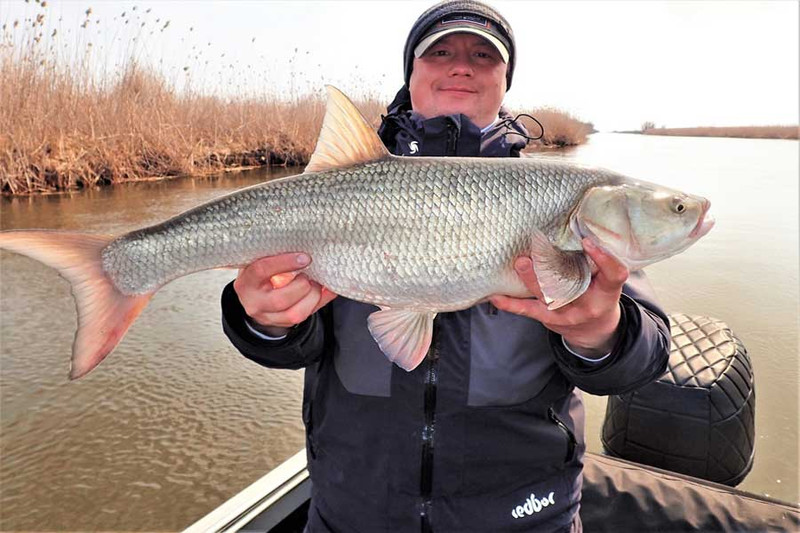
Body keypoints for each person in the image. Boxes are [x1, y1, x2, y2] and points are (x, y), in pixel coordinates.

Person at [221, 1, 670, 531]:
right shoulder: (342, 189)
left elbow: (644, 358)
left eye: (484, 55)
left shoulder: (565, 201)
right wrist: (264, 321)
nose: (462, 65)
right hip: (352, 510)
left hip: (523, 515)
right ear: (411, 73)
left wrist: (603, 333)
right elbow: (291, 346)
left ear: (505, 80)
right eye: (440, 52)